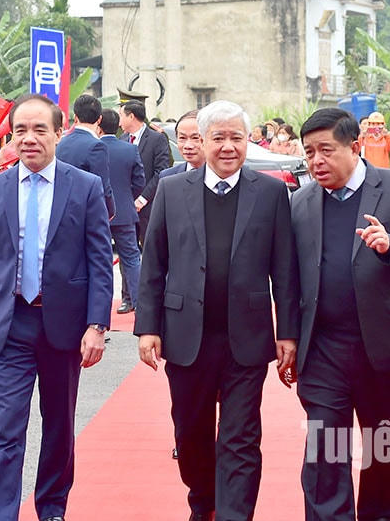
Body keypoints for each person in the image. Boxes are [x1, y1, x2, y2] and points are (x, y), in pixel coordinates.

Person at [135, 100, 298, 521]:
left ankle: (233, 514)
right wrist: (147, 326)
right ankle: (203, 501)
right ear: (201, 141)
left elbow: (284, 270)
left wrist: (288, 332)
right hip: (187, 335)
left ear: (248, 141)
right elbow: (154, 262)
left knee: (241, 438)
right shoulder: (172, 190)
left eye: (236, 138)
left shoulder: (271, 192)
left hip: (246, 338)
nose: (228, 147)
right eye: (219, 138)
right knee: (191, 435)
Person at [0, 93, 114, 521]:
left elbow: (99, 260)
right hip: (9, 324)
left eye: (39, 130)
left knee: (58, 426)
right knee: (8, 428)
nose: (29, 139)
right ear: (10, 136)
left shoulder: (83, 186)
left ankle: (51, 508)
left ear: (58, 132)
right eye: (20, 131)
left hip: (63, 327)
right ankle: (1, 513)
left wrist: (96, 324)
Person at [292, 107, 390, 521]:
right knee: (325, 449)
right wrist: (287, 337)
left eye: (326, 150)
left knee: (385, 446)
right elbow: (289, 276)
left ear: (355, 147)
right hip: (322, 348)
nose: (316, 161)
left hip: (383, 345)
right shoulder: (300, 202)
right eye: (309, 153)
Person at [120, 99, 171, 309]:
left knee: (153, 251)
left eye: (122, 115)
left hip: (150, 205)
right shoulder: (122, 139)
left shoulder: (157, 139)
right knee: (127, 252)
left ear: (131, 116)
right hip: (126, 206)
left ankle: (155, 295)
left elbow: (161, 171)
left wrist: (143, 198)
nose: (120, 120)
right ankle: (128, 297)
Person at [98, 108, 145, 314]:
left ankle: (102, 303)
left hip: (99, 212)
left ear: (99, 124)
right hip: (125, 211)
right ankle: (138, 301)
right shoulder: (129, 149)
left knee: (101, 259)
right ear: (117, 125)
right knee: (132, 258)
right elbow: (139, 181)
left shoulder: (94, 148)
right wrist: (126, 197)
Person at [54, 94, 115, 220]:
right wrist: (110, 210)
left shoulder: (62, 142)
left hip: (59, 211)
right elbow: (103, 185)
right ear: (99, 119)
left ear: (75, 117)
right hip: (85, 213)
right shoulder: (97, 146)